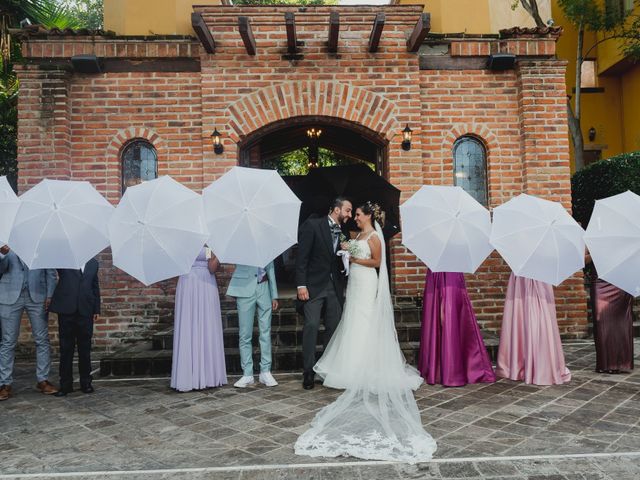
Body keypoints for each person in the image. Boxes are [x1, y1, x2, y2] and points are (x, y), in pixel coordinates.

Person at [295, 202, 437, 463]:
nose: (353, 217)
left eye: (357, 214)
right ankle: (323, 369)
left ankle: (362, 367)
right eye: (350, 212)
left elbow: (376, 261)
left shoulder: (372, 236)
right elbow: (312, 255)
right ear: (337, 209)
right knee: (345, 324)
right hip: (344, 285)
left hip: (363, 281)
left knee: (362, 322)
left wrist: (352, 258)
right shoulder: (348, 234)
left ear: (368, 216)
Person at [296, 197, 352, 390]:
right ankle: (308, 371)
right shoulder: (313, 225)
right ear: (337, 210)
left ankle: (326, 369)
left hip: (334, 287)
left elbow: (339, 259)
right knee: (311, 326)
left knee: (333, 329)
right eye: (347, 210)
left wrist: (347, 254)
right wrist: (301, 285)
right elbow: (301, 258)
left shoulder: (343, 231)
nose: (349, 215)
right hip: (313, 286)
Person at [418, 270, 496, 387]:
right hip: (436, 273)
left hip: (451, 273)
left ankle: (454, 371)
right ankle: (441, 370)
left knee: (452, 319)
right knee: (438, 318)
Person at [0, 245, 58, 400]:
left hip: (37, 296)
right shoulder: (4, 240)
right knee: (8, 341)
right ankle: (5, 383)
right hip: (9, 296)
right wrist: (2, 255)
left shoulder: (41, 241)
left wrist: (50, 295)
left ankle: (43, 380)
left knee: (42, 339)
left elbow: (51, 272)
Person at [495, 273, 571, 385]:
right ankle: (527, 366)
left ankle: (538, 367)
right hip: (522, 276)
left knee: (540, 316)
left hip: (538, 277)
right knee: (523, 315)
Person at [170, 247, 227, 392]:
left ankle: (208, 376)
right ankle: (187, 376)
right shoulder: (181, 239)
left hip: (206, 283)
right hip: (188, 282)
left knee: (207, 326)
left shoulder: (210, 239)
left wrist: (220, 252)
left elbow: (212, 268)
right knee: (188, 326)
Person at [49, 257, 100, 396]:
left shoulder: (93, 263)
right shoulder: (64, 260)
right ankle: (65, 385)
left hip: (86, 310)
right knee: (66, 349)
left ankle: (86, 383)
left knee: (85, 349)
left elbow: (95, 286)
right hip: (67, 310)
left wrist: (96, 309)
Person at [227, 261, 279, 388]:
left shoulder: (265, 243)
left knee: (265, 331)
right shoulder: (238, 242)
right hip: (245, 287)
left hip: (264, 287)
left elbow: (270, 267)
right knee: (245, 334)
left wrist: (274, 295)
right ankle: (247, 374)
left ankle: (265, 371)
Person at [585, 250, 634, 373]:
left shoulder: (625, 236)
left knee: (620, 322)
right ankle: (605, 363)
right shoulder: (592, 235)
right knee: (600, 320)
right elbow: (583, 260)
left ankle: (619, 363)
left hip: (621, 280)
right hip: (600, 281)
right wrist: (595, 253)